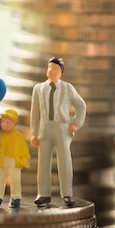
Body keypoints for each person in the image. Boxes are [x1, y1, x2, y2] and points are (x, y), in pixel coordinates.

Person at [28, 57, 86, 208]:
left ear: (61, 72)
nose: (51, 71)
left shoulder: (67, 88)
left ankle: (67, 193)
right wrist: (33, 132)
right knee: (43, 162)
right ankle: (43, 194)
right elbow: (34, 113)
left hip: (62, 128)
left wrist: (76, 123)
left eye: (55, 69)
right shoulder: (39, 88)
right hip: (45, 128)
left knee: (65, 161)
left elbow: (81, 105)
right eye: (49, 68)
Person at [0, 109, 30, 209]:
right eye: (3, 121)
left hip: (14, 162)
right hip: (1, 161)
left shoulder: (18, 136)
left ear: (15, 124)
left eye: (8, 122)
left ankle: (16, 197)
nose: (5, 124)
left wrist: (24, 160)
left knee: (15, 180)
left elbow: (24, 150)